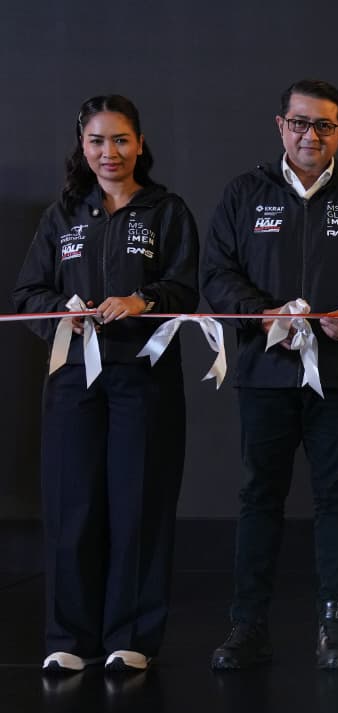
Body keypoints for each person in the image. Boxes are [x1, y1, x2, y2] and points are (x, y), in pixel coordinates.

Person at [202, 79, 338, 669]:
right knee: (258, 496)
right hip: (265, 373)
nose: (310, 135)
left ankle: (335, 623)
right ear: (280, 125)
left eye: (323, 125)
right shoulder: (244, 193)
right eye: (299, 123)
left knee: (336, 496)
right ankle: (247, 626)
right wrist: (258, 313)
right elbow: (216, 273)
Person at [13, 95, 199, 674]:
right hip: (73, 379)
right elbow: (29, 293)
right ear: (82, 145)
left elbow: (186, 286)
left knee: (138, 504)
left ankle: (132, 636)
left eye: (120, 139)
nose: (109, 152)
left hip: (143, 378)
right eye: (97, 141)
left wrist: (143, 299)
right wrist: (60, 313)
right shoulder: (62, 214)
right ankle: (68, 637)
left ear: (139, 144)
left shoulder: (167, 211)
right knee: (72, 503)